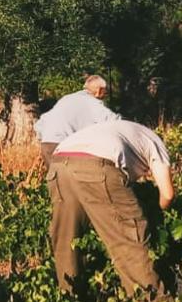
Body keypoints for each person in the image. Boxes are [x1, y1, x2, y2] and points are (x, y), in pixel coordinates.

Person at [48, 119, 174, 298]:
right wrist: (161, 212)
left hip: (59, 164)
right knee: (129, 240)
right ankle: (150, 297)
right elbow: (167, 195)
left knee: (67, 240)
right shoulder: (156, 144)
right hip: (97, 165)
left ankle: (70, 295)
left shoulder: (124, 131)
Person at [34, 75, 120, 169]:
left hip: (46, 143)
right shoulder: (92, 102)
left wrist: (42, 137)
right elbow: (112, 120)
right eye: (105, 93)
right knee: (73, 179)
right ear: (99, 91)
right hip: (62, 145)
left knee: (55, 179)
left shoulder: (67, 98)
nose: (105, 96)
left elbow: (41, 123)